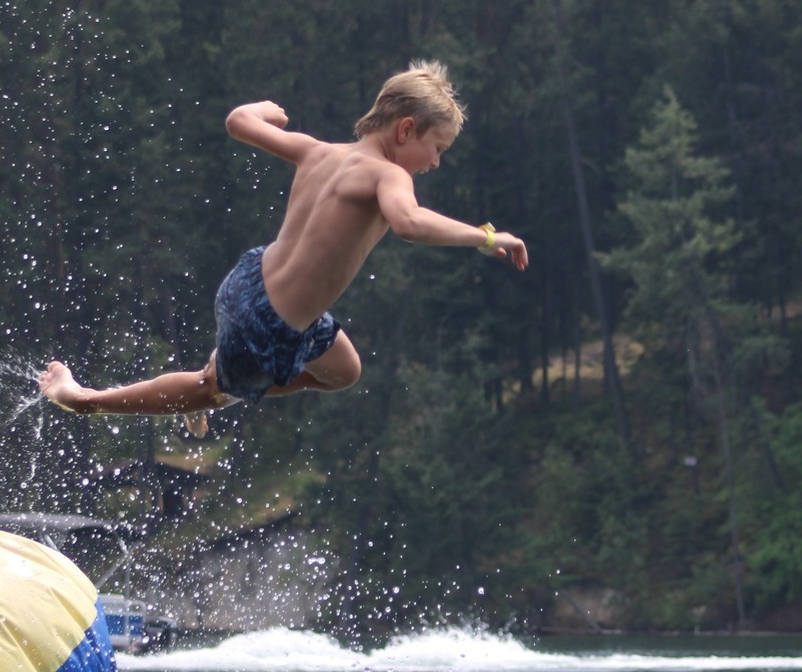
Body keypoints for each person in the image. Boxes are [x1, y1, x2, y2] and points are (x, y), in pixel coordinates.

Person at [38, 62, 526, 433]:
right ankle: (83, 398)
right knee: (208, 391)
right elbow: (408, 222)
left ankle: (215, 385)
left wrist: (263, 111)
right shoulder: (389, 174)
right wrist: (485, 236)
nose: (436, 163)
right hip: (269, 323)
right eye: (436, 148)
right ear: (404, 130)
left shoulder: (318, 151)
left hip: (251, 279)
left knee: (343, 369)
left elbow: (237, 122)